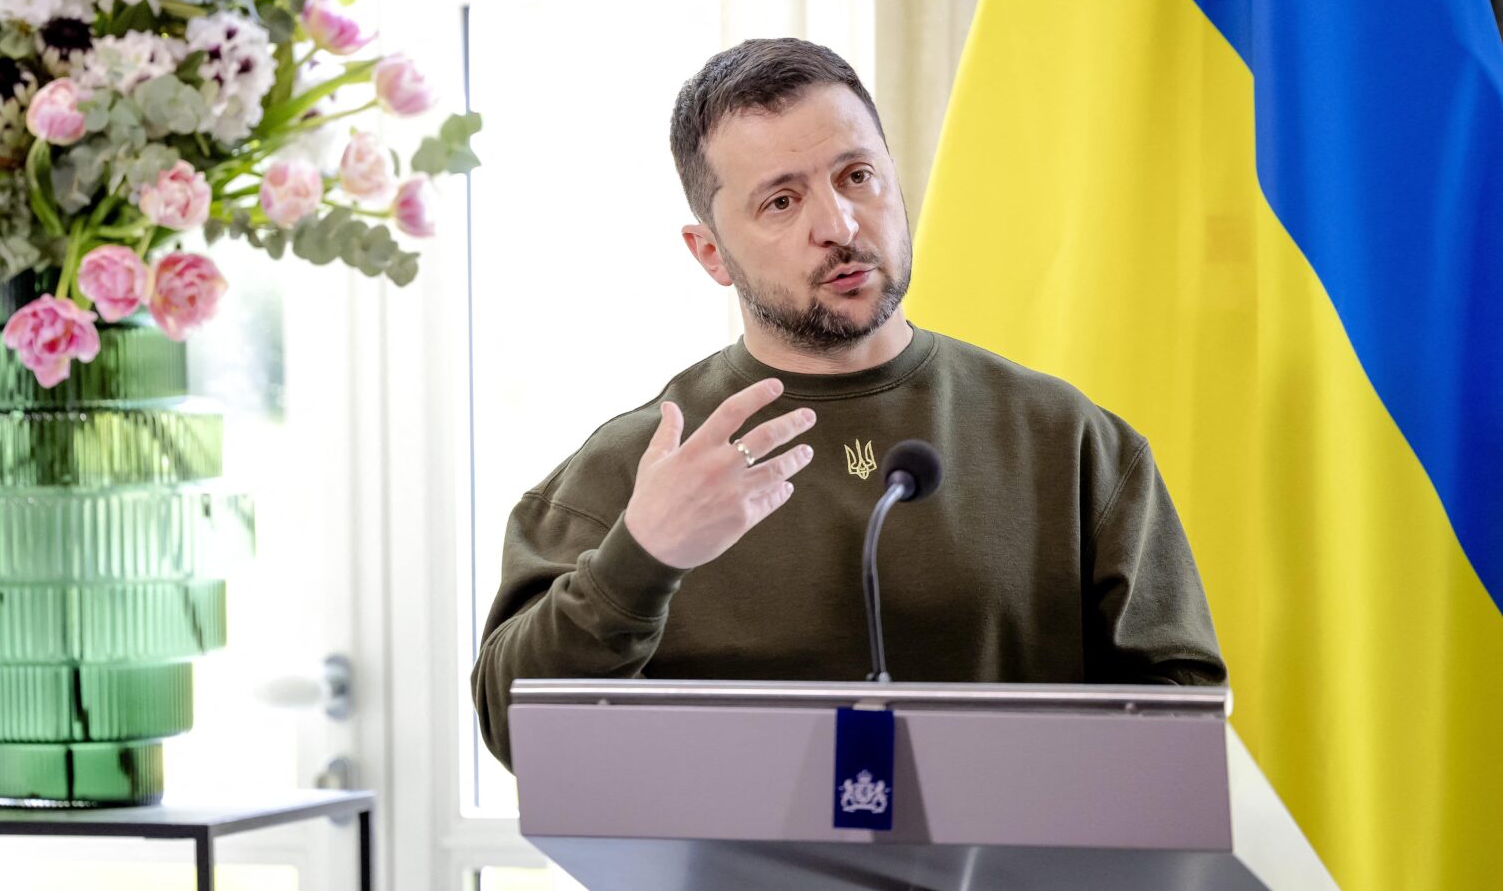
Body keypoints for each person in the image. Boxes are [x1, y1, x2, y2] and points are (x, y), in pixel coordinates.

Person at [470, 38, 1226, 771]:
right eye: (781, 200)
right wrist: (642, 556)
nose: (838, 226)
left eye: (857, 175)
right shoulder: (634, 468)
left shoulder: (1068, 440)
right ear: (710, 253)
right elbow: (514, 729)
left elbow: (1183, 714)